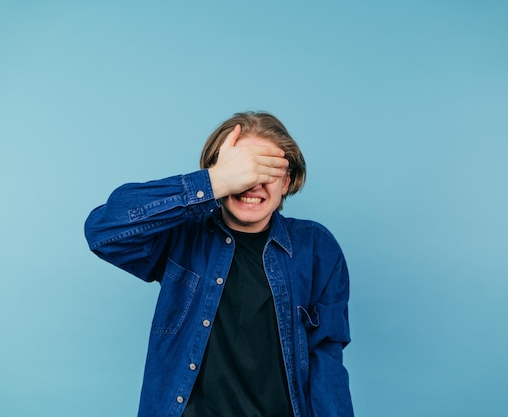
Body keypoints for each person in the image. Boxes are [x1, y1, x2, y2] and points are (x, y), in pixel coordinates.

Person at [84, 111, 354, 417]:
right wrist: (213, 182)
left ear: (287, 181)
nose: (252, 185)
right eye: (243, 170)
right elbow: (103, 231)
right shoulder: (180, 235)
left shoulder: (317, 249)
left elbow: (326, 362)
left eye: (266, 171)